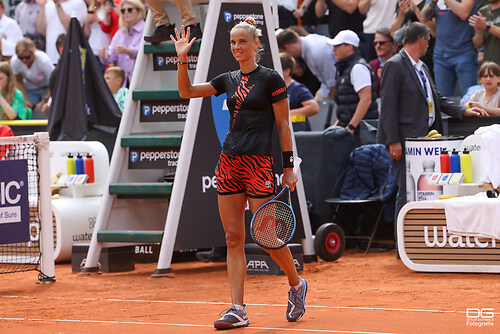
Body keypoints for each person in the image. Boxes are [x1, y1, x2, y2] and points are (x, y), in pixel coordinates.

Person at [170, 18, 307, 329]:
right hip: (229, 163)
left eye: (242, 42)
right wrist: (182, 58)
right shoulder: (227, 79)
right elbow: (187, 91)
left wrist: (288, 168)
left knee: (268, 238)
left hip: (259, 164)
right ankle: (238, 309)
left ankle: (296, 285)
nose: (236, 47)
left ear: (255, 44)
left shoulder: (272, 79)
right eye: (232, 43)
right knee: (233, 238)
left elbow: (284, 125)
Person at [376, 22, 486, 243]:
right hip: (407, 140)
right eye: (428, 41)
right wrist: (393, 141)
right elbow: (387, 106)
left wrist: (464, 111)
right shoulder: (394, 65)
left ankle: (420, 240)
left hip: (427, 139)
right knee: (407, 190)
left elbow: (437, 98)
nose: (429, 45)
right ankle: (403, 243)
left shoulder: (422, 67)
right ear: (422, 40)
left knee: (428, 188)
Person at [328, 29, 378, 145]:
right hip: (351, 131)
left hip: (360, 133)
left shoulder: (358, 68)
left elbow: (366, 100)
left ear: (349, 47)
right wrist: (336, 126)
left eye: (337, 46)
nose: (334, 49)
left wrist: (351, 127)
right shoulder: (346, 68)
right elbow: (346, 106)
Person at [421, 0, 477, 97]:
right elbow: (423, 18)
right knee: (444, 101)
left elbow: (463, 13)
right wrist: (433, 3)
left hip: (464, 53)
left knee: (470, 100)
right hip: (440, 55)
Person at [277, 28, 337, 100]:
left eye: (283, 52)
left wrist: (337, 105)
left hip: (338, 88)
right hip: (325, 88)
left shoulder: (317, 52)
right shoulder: (309, 43)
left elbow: (333, 82)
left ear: (288, 47)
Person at [98, 0, 145, 86]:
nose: (126, 13)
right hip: (123, 84)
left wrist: (128, 51)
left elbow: (144, 53)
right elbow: (111, 55)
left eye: (129, 10)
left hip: (141, 81)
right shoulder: (120, 32)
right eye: (123, 11)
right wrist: (104, 56)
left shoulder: (145, 29)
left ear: (139, 11)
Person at [36, 0, 88, 65]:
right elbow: (41, 29)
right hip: (51, 56)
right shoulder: (48, 4)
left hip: (70, 57)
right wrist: (42, 7)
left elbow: (71, 27)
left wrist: (58, 5)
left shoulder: (78, 3)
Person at [11, 37, 54, 113]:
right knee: (29, 110)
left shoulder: (43, 60)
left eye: (27, 57)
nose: (24, 60)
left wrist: (45, 100)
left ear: (33, 52)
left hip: (48, 86)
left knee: (45, 110)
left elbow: (55, 81)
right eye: (21, 58)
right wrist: (24, 99)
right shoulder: (14, 61)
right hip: (30, 88)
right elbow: (19, 81)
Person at [280, 52, 319, 132]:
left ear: (287, 71)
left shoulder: (298, 89)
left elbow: (314, 107)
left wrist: (287, 114)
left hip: (298, 134)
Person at [469, 0, 500, 67]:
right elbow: (477, 45)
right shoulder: (482, 12)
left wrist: (486, 26)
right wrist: (479, 32)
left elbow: (486, 26)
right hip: (489, 68)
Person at [84, 0, 111, 70]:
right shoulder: (93, 8)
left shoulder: (109, 7)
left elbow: (109, 28)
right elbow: (87, 33)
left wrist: (97, 20)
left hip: (105, 50)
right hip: (92, 48)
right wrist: (87, 22)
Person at [369, 28, 395, 97]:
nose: (378, 46)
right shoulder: (371, 65)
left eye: (382, 43)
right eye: (375, 43)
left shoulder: (401, 64)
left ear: (393, 44)